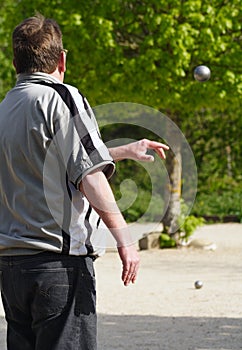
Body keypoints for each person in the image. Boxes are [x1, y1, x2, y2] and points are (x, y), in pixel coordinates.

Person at [0, 14, 169, 350]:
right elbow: (88, 175)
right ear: (62, 60)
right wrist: (125, 238)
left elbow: (46, 162)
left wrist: (122, 151)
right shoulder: (61, 97)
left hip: (12, 271)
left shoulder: (6, 107)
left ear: (15, 61)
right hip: (58, 267)